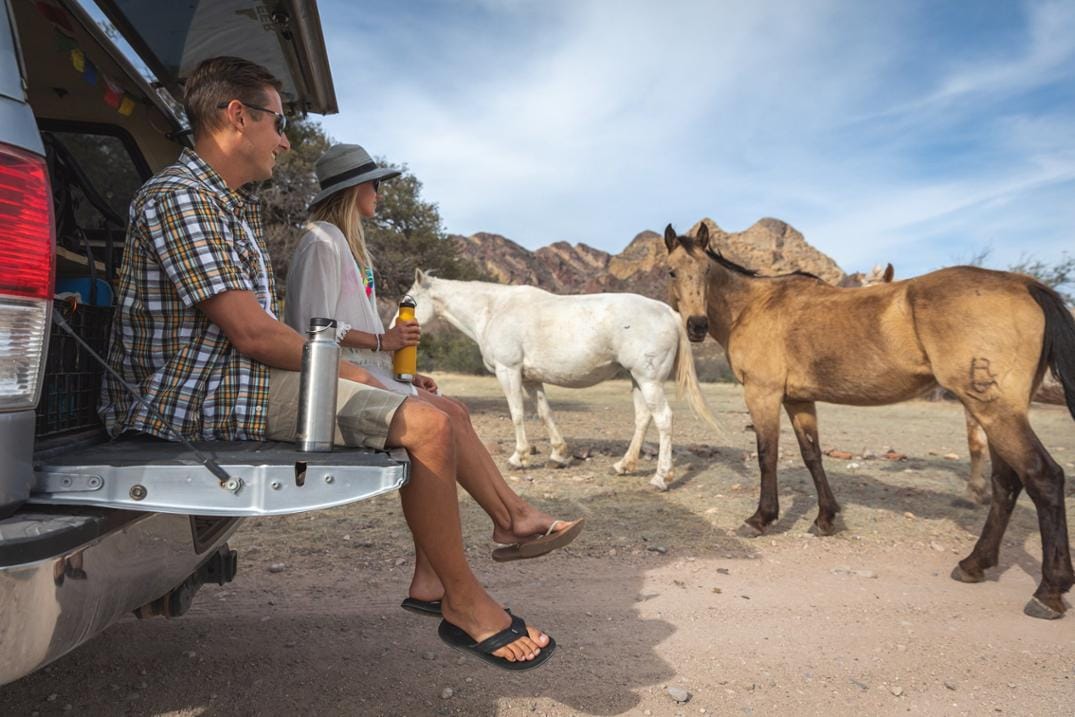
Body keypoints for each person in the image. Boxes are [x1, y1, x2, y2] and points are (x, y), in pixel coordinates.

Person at [99, 56, 554, 669]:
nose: (284, 139)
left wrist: (374, 369)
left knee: (437, 410)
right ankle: (464, 600)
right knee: (427, 422)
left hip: (235, 378)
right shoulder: (180, 198)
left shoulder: (225, 204)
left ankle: (463, 558)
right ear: (238, 117)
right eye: (278, 122)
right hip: (195, 393)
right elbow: (256, 334)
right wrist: (361, 370)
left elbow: (261, 335)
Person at [283, 144, 585, 611]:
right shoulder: (321, 242)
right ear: (353, 189)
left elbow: (346, 333)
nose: (380, 194)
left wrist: (399, 371)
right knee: (442, 420)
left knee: (454, 409)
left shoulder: (344, 245)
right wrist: (384, 342)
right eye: (375, 184)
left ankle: (447, 563)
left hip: (359, 373)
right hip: (331, 384)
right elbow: (313, 328)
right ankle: (512, 518)